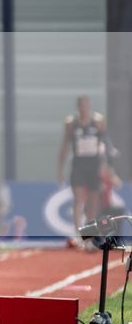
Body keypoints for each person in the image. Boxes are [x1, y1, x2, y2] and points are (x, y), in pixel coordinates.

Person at [58, 96, 114, 243]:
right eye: (80, 105)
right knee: (78, 199)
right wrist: (60, 170)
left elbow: (105, 143)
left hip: (93, 164)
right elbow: (65, 146)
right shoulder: (72, 123)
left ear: (88, 106)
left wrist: (107, 166)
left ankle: (89, 235)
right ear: (78, 106)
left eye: (85, 105)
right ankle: (77, 235)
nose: (83, 108)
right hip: (78, 164)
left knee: (92, 202)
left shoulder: (98, 121)